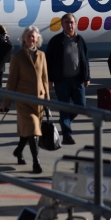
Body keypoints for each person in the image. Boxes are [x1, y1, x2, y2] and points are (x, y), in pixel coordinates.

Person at [3, 26, 50, 174]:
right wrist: (6, 103)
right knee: (33, 129)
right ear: (24, 38)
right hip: (24, 100)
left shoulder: (42, 55)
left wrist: (48, 101)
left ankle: (18, 151)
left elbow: (45, 79)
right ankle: (36, 162)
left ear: (37, 38)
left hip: (39, 101)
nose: (31, 39)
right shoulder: (17, 57)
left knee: (30, 130)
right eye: (28, 36)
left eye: (33, 36)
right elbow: (11, 81)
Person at [46, 13, 90, 145]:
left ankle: (65, 122)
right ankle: (67, 135)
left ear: (75, 24)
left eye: (71, 22)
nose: (69, 25)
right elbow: (49, 61)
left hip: (77, 79)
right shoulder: (56, 41)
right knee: (64, 107)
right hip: (62, 80)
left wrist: (87, 77)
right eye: (66, 22)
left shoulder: (80, 40)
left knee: (81, 106)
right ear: (62, 25)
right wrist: (49, 79)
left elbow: (85, 59)